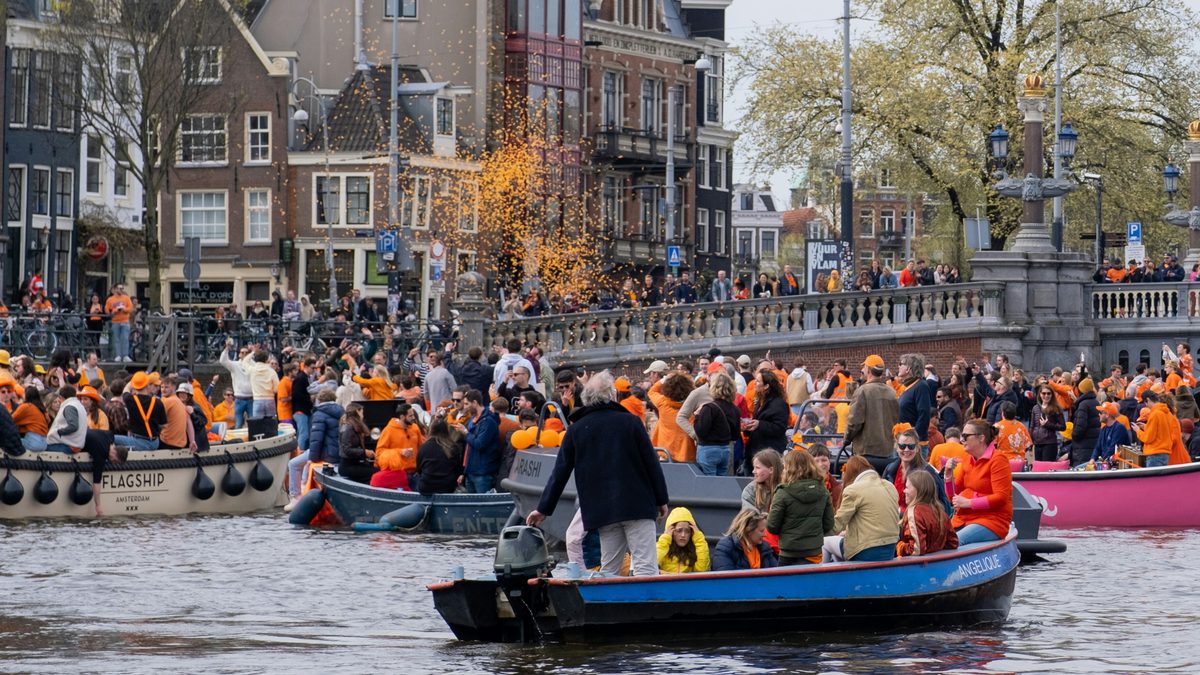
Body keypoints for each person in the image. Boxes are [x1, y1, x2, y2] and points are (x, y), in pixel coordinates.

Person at [527, 372, 670, 577]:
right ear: (612, 395)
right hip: (637, 504)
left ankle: (608, 605)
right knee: (645, 565)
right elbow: (651, 464)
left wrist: (543, 509)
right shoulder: (630, 422)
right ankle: (647, 606)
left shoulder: (576, 430)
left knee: (609, 567)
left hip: (602, 509)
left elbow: (560, 473)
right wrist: (661, 499)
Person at [822, 455, 900, 562]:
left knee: (825, 542)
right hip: (890, 549)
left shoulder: (853, 490)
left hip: (866, 552)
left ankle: (823, 577)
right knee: (840, 544)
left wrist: (815, 532)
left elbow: (836, 526)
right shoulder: (889, 486)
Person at [948, 419, 1013, 545]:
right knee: (937, 540)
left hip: (992, 521)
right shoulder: (967, 458)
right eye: (962, 436)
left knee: (954, 541)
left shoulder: (998, 460)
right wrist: (947, 476)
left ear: (981, 438)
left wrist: (969, 503)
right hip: (964, 518)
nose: (962, 440)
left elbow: (1001, 497)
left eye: (966, 436)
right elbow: (953, 495)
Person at [767, 450, 834, 565]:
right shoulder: (823, 491)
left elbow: (772, 526)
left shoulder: (783, 492)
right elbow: (828, 524)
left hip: (788, 552)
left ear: (788, 469)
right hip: (814, 552)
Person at [843, 355, 900, 469]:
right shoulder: (892, 392)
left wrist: (846, 439)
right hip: (888, 451)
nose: (862, 370)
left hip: (866, 452)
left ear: (868, 370)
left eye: (864, 367)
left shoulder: (862, 391)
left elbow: (854, 422)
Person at [882, 428, 952, 515]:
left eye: (911, 446)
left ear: (918, 448)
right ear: (896, 447)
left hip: (918, 520)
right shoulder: (890, 469)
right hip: (892, 517)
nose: (906, 450)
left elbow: (943, 505)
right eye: (902, 446)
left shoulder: (927, 472)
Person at [896, 470, 959, 557]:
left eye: (907, 487)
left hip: (918, 568)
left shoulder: (914, 512)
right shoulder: (940, 511)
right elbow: (953, 543)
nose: (904, 491)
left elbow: (916, 549)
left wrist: (899, 546)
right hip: (937, 566)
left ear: (918, 490)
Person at [692, 372, 741, 476]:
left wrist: (696, 416)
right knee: (721, 483)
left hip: (708, 449)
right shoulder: (735, 409)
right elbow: (736, 435)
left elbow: (700, 431)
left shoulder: (709, 408)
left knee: (708, 484)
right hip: (725, 450)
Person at [743, 369, 789, 469]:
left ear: (766, 386)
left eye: (758, 381)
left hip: (769, 452)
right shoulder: (759, 401)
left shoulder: (779, 404)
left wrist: (759, 424)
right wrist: (747, 427)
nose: (755, 383)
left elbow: (780, 428)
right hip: (755, 450)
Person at [648, 372, 696, 463]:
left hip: (664, 452)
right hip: (686, 453)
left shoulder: (662, 402)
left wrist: (664, 379)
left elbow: (652, 391)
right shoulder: (692, 407)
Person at [711, 508, 779, 571]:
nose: (765, 534)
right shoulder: (726, 547)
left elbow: (776, 574)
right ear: (748, 530)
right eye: (761, 531)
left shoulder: (765, 548)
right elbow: (726, 580)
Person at [460, 389, 500, 493]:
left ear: (474, 402)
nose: (464, 407)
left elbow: (480, 444)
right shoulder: (473, 419)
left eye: (466, 404)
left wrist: (466, 433)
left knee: (483, 506)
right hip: (471, 471)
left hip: (482, 473)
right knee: (471, 508)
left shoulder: (488, 421)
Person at [116, 372, 166, 451]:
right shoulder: (158, 402)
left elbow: (126, 389)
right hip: (155, 442)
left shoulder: (130, 400)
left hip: (138, 442)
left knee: (112, 438)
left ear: (134, 386)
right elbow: (163, 425)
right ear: (147, 384)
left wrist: (134, 380)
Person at [417, 415, 464, 495]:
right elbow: (458, 470)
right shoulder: (452, 447)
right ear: (446, 430)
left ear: (431, 430)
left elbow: (419, 469)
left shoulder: (424, 447)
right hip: (447, 487)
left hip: (426, 488)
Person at [656, 507, 711, 573]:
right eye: (679, 530)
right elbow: (651, 564)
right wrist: (665, 539)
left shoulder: (695, 550)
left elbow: (702, 570)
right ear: (671, 531)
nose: (683, 535)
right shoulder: (663, 547)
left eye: (687, 531)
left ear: (692, 533)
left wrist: (699, 539)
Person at [338, 402, 377, 484]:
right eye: (362, 413)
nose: (363, 416)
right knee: (376, 474)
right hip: (348, 466)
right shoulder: (348, 428)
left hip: (354, 464)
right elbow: (347, 450)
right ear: (357, 412)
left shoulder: (353, 427)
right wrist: (364, 452)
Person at [45, 386, 88, 453]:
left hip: (68, 446)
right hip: (75, 444)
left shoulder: (69, 407)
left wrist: (59, 431)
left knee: (41, 447)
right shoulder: (78, 405)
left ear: (61, 397)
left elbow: (73, 426)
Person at [1030, 385, 1066, 462]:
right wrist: (1030, 442)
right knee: (1038, 469)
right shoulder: (1035, 408)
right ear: (1040, 394)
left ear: (1052, 395)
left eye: (1049, 393)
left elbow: (1063, 427)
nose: (1046, 396)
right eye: (1044, 393)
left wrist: (1048, 424)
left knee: (1047, 469)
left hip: (1049, 443)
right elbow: (1032, 426)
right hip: (1037, 443)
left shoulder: (1056, 408)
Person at [1069, 378, 1101, 466]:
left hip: (1083, 444)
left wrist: (1074, 435)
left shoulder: (1083, 404)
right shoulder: (1096, 402)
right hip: (1093, 440)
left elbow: (1080, 426)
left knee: (1081, 468)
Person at [741, 448, 782, 513]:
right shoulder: (750, 490)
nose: (753, 471)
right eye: (753, 467)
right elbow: (750, 516)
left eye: (757, 468)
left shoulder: (786, 488)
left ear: (771, 470)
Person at [808, 444, 843, 510]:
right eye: (816, 461)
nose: (820, 464)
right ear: (809, 464)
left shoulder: (838, 488)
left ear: (829, 462)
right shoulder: (802, 485)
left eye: (824, 460)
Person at [105, 283, 134, 362]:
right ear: (115, 289)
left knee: (125, 338)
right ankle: (118, 355)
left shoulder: (126, 298)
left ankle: (125, 355)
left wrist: (124, 309)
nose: (121, 290)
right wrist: (115, 310)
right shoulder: (110, 300)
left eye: (122, 288)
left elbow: (130, 308)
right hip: (115, 321)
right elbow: (107, 310)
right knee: (116, 339)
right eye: (119, 288)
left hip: (125, 321)